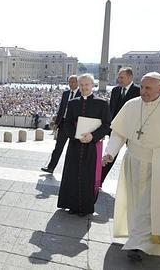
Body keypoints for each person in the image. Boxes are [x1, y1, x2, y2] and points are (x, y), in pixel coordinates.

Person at [102, 72, 160, 260]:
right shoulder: (131, 105)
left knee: (149, 206)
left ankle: (137, 245)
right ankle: (139, 240)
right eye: (142, 87)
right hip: (134, 160)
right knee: (135, 203)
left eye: (148, 88)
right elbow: (119, 133)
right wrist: (110, 152)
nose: (143, 91)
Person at [57, 74, 111, 216]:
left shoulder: (102, 103)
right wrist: (76, 135)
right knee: (72, 174)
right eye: (81, 85)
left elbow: (107, 125)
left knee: (87, 176)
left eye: (87, 84)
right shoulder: (73, 103)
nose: (84, 87)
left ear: (93, 85)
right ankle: (72, 205)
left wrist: (93, 136)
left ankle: (84, 208)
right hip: (75, 144)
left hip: (92, 146)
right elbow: (67, 123)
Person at [102, 67, 141, 183]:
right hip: (116, 129)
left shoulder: (138, 91)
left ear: (130, 77)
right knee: (109, 154)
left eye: (122, 77)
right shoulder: (115, 90)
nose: (119, 79)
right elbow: (111, 110)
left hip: (133, 130)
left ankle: (133, 182)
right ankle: (100, 180)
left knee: (134, 157)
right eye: (118, 77)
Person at [42, 75, 80, 173]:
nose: (71, 84)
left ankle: (71, 171)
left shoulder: (81, 93)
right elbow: (61, 110)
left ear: (78, 83)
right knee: (58, 147)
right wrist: (56, 123)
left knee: (73, 149)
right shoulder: (65, 93)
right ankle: (51, 167)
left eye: (73, 82)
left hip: (75, 125)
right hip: (63, 123)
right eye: (69, 82)